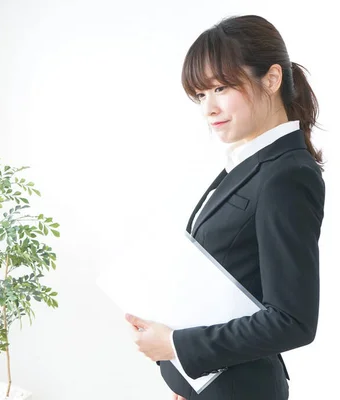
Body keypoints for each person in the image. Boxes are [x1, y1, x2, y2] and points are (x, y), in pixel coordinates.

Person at [124, 14, 326, 400]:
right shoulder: (249, 162)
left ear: (271, 79)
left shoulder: (286, 176)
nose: (208, 108)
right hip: (208, 387)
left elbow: (292, 320)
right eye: (200, 95)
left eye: (220, 88)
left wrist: (177, 346)